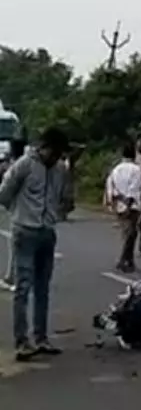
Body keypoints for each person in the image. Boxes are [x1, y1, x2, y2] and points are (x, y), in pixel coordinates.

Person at [0, 128, 74, 362]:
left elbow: (66, 200)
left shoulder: (60, 169)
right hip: (25, 229)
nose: (55, 157)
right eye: (54, 152)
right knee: (23, 287)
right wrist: (18, 213)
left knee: (43, 288)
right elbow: (4, 194)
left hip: (47, 231)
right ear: (44, 147)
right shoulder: (24, 164)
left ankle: (40, 338)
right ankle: (22, 341)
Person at [106, 142, 141, 273]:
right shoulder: (136, 170)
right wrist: (129, 203)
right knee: (131, 233)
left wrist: (114, 201)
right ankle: (124, 259)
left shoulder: (116, 169)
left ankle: (128, 260)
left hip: (119, 204)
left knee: (128, 233)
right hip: (132, 206)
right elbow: (135, 188)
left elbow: (110, 187)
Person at [0, 139, 25, 292]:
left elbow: (4, 193)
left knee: (17, 248)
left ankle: (13, 279)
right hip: (41, 217)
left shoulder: (16, 168)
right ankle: (12, 277)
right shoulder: (35, 166)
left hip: (20, 215)